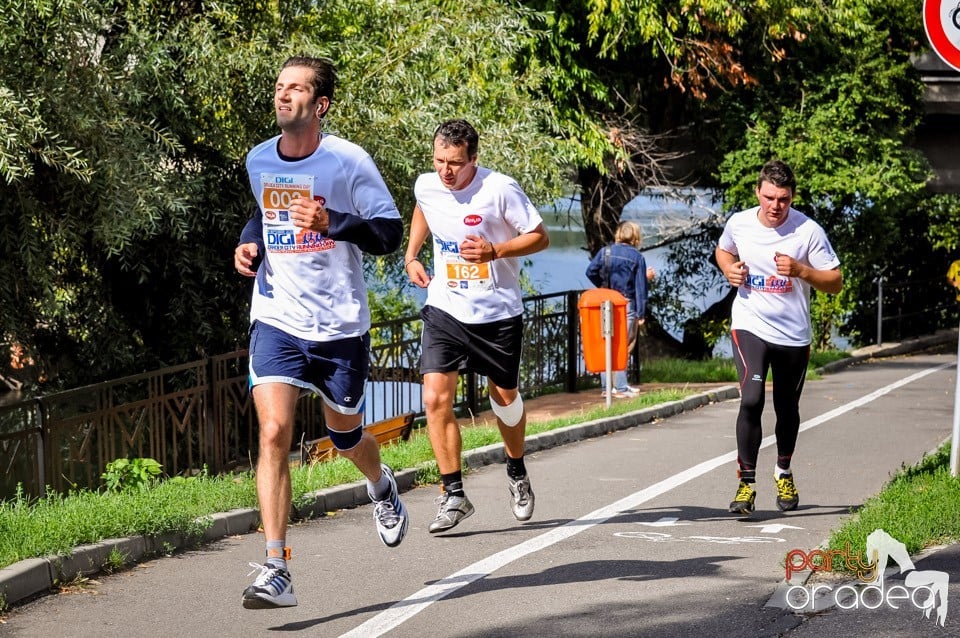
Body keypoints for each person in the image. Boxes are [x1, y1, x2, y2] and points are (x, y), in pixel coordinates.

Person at [233, 56, 409, 609]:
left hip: (338, 325)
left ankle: (381, 486)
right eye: (279, 86)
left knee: (345, 436)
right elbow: (263, 213)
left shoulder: (348, 161)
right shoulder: (258, 158)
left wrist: (335, 223)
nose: (284, 95)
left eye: (296, 88)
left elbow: (388, 232)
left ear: (321, 104)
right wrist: (248, 240)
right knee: (273, 432)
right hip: (277, 316)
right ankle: (276, 565)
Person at [404, 119, 550, 533]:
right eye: (439, 161)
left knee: (504, 399)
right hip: (446, 308)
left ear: (474, 159)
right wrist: (412, 254)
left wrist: (495, 251)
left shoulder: (499, 189)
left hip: (497, 314)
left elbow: (540, 237)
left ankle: (517, 471)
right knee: (435, 398)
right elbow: (423, 207)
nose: (446, 171)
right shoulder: (428, 184)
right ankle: (453, 495)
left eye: (455, 163)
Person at [715, 160, 842, 516]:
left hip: (793, 335)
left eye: (783, 199)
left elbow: (835, 282)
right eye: (769, 197)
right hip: (749, 325)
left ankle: (783, 471)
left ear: (792, 197)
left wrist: (802, 270)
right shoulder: (739, 223)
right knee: (752, 399)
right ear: (758, 192)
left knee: (787, 408)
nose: (775, 206)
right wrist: (729, 268)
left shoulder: (807, 232)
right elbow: (724, 249)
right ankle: (746, 485)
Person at [585, 221, 651, 398]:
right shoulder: (637, 257)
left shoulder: (605, 252)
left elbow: (590, 271)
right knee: (621, 345)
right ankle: (621, 387)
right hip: (626, 303)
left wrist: (603, 287)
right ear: (635, 237)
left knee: (606, 343)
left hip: (605, 302)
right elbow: (640, 287)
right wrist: (641, 313)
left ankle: (607, 387)